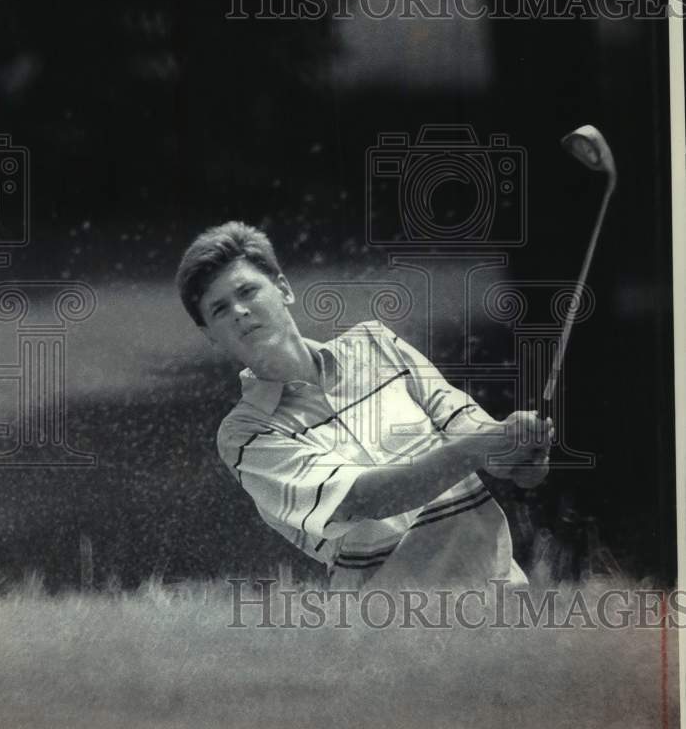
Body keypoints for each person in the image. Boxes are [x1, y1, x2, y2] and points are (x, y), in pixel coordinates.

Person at [176, 221, 553, 592]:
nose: (240, 311)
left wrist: (516, 454)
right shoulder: (244, 435)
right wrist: (481, 446)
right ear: (210, 335)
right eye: (220, 309)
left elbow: (470, 430)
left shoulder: (377, 344)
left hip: (500, 591)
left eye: (247, 291)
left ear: (283, 289)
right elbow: (367, 498)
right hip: (387, 628)